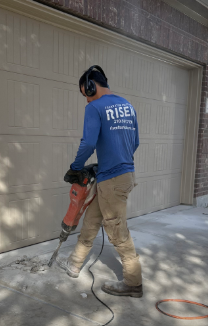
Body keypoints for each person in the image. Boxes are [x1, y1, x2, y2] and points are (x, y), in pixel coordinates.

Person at [57, 65, 143, 298]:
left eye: (83, 92)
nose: (84, 98)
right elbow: (134, 142)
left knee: (116, 230)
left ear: (89, 86)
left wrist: (75, 169)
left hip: (113, 180)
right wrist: (112, 161)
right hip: (119, 175)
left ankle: (133, 283)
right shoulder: (128, 105)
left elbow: (88, 144)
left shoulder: (94, 107)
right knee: (92, 220)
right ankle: (74, 264)